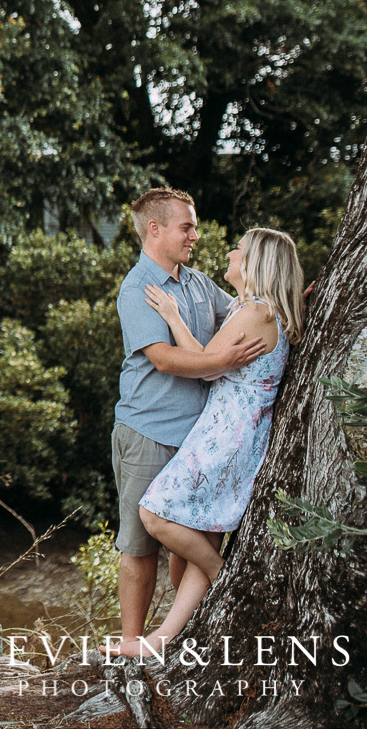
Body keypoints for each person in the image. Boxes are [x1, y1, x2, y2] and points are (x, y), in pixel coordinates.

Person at [105, 227, 304, 657]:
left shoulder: (256, 314)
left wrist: (174, 317)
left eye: (240, 249)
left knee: (154, 514)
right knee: (200, 538)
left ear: (256, 265)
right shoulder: (252, 308)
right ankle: (162, 640)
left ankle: (224, 577)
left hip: (227, 434)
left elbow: (205, 366)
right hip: (230, 430)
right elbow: (213, 359)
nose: (230, 252)